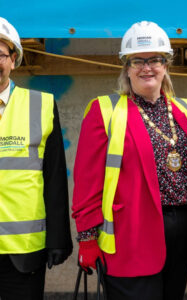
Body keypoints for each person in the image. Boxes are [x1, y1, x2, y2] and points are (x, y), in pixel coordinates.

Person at [72, 21, 187, 300]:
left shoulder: (186, 109)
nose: (146, 67)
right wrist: (87, 237)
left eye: (155, 59)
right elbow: (87, 182)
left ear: (166, 65)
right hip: (131, 235)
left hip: (182, 232)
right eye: (137, 60)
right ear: (126, 67)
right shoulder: (104, 110)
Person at [0, 17, 72, 300]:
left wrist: (58, 238)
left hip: (25, 251)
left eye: (0, 54)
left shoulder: (40, 104)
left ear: (14, 59)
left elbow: (54, 178)